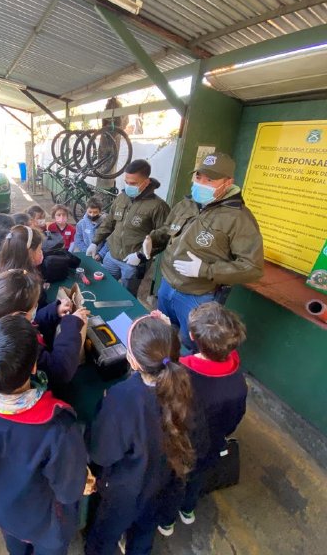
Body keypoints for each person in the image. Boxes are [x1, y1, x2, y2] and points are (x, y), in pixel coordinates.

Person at [85, 311, 207, 555]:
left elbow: (101, 454)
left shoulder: (121, 398)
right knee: (144, 534)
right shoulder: (188, 387)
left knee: (104, 539)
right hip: (164, 486)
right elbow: (199, 442)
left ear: (133, 362)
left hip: (125, 493)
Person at [0, 314, 88, 555]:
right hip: (44, 522)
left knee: (16, 547)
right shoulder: (58, 427)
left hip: (0, 507)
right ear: (34, 367)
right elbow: (69, 491)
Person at [144, 152, 264, 351]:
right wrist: (153, 240)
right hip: (167, 284)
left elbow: (253, 268)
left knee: (191, 343)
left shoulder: (239, 218)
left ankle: (186, 369)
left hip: (198, 295)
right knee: (164, 330)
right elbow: (168, 229)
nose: (200, 184)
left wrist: (206, 270)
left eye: (209, 180)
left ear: (228, 183)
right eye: (198, 177)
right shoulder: (187, 204)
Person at [158, 301, 248, 536]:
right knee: (196, 480)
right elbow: (235, 418)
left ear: (191, 336)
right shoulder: (237, 376)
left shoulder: (182, 373)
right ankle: (188, 510)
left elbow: (167, 409)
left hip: (182, 447)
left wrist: (167, 334)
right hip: (212, 446)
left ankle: (167, 521)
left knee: (175, 484)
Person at [0, 269, 86, 387]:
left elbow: (33, 324)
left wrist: (53, 311)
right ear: (18, 314)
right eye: (34, 306)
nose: (36, 308)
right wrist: (71, 325)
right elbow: (60, 371)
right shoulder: (18, 346)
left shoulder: (6, 323)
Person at [86, 159, 170, 297]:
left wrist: (140, 255)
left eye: (133, 183)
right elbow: (109, 222)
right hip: (112, 256)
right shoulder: (121, 198)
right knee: (104, 288)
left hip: (133, 262)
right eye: (126, 182)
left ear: (146, 182)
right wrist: (95, 242)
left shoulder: (158, 206)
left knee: (127, 296)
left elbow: (164, 237)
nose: (129, 186)